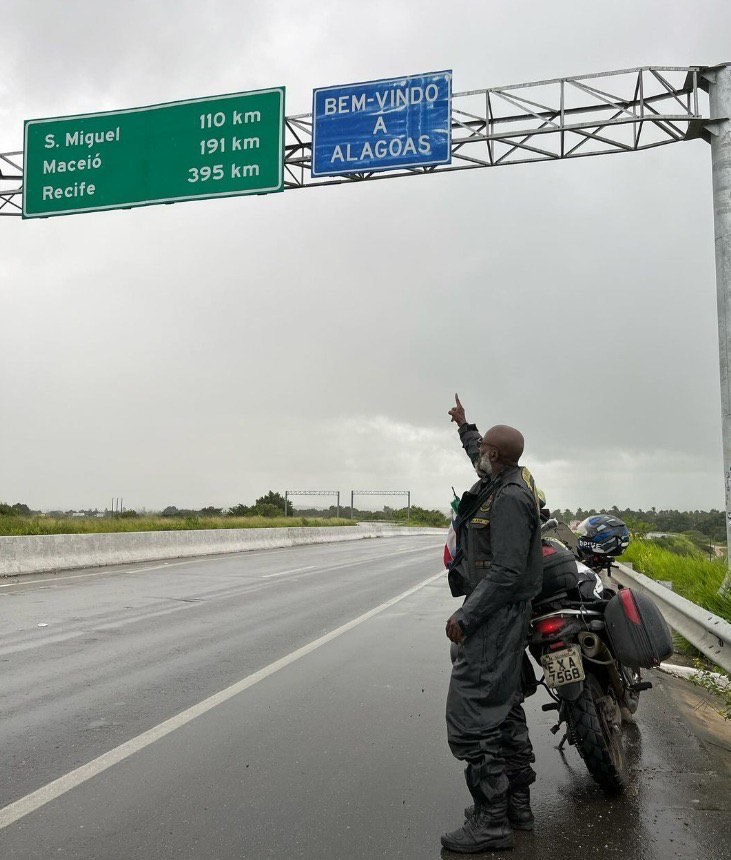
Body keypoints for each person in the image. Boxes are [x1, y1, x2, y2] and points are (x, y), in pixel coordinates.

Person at [441, 394, 543, 854]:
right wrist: (465, 426)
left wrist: (467, 615)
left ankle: (492, 821)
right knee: (504, 708)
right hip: (498, 613)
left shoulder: (509, 500)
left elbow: (505, 572)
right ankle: (515, 808)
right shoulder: (501, 480)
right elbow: (478, 451)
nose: (479, 453)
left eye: (484, 450)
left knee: (473, 717)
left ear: (496, 457)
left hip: (495, 615)